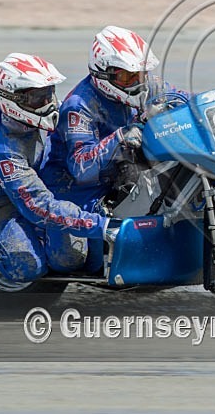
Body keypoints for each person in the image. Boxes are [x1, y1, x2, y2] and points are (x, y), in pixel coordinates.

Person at [0, 52, 114, 283]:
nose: (48, 103)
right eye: (38, 98)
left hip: (37, 177)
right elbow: (38, 206)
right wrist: (103, 226)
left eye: (48, 94)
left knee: (74, 259)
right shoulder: (4, 152)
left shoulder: (11, 111)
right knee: (29, 267)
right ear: (12, 100)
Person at [40, 26, 170, 273]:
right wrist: (120, 137)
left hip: (117, 173)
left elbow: (181, 98)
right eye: (126, 77)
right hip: (77, 190)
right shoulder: (79, 106)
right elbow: (81, 168)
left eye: (139, 75)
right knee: (71, 259)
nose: (135, 83)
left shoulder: (147, 85)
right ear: (104, 74)